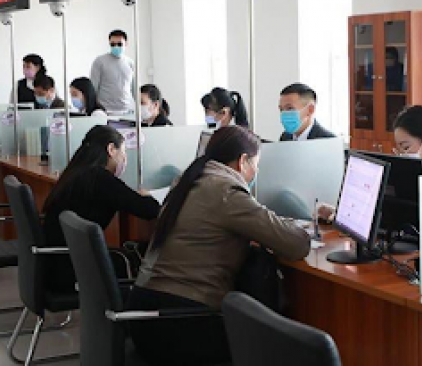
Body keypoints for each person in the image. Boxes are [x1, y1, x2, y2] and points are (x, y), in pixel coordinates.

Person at [129, 126, 310, 365]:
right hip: (181, 324)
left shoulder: (187, 181)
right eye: (256, 164)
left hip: (146, 316)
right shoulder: (225, 190)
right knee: (275, 342)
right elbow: (296, 245)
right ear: (243, 161)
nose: (256, 172)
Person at [42, 125, 160, 293]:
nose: (124, 159)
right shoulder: (99, 179)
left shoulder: (76, 173)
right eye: (123, 152)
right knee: (136, 255)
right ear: (111, 149)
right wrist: (147, 196)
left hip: (57, 266)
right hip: (73, 271)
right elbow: (150, 210)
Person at [90, 30, 134, 114]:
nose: (116, 47)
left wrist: (140, 107)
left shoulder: (130, 63)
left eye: (119, 44)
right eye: (113, 44)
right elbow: (93, 88)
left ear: (126, 43)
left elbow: (134, 89)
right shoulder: (100, 61)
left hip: (126, 110)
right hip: (105, 110)